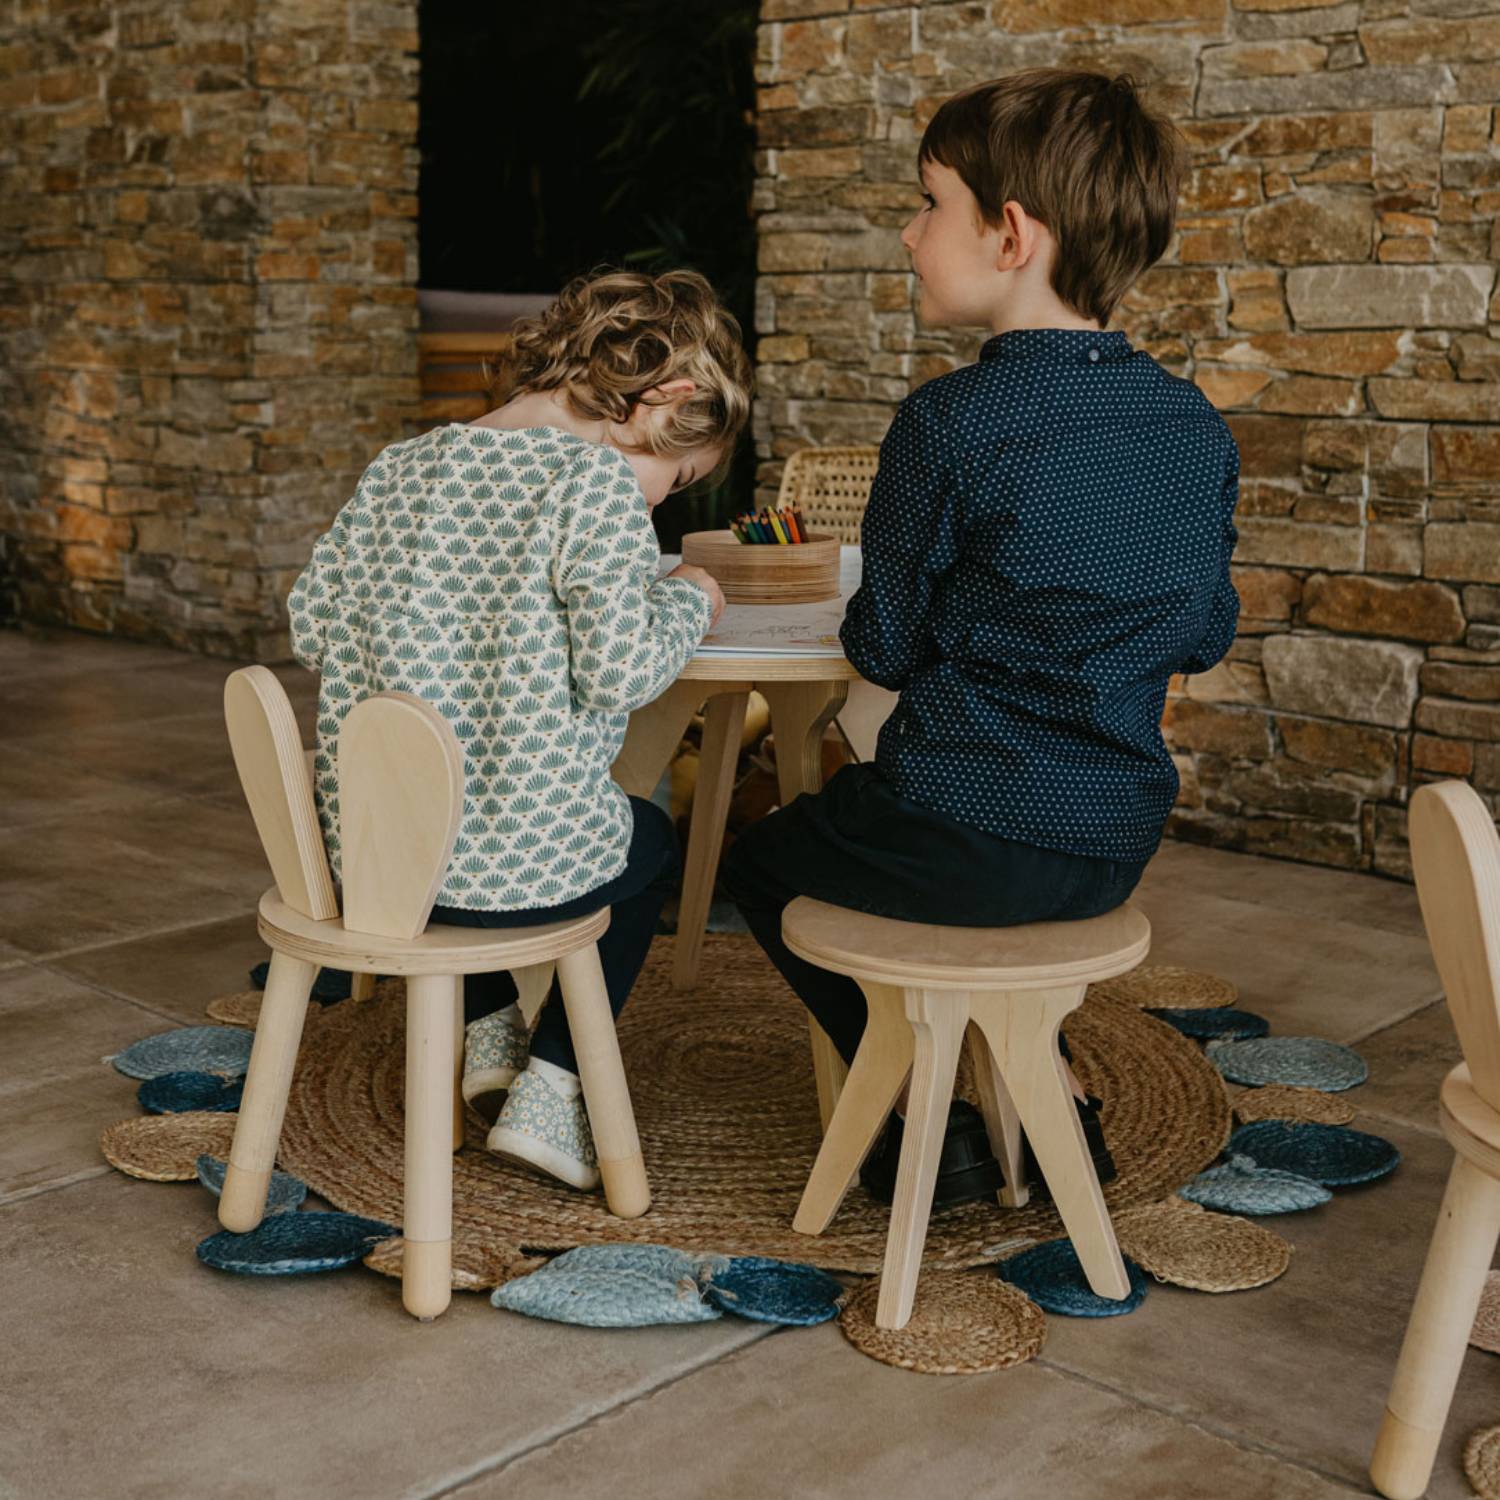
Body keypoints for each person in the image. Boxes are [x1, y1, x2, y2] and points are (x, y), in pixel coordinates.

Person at [721, 68, 1242, 1208]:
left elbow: (887, 650)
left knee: (760, 864)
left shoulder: (951, 423)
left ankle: (932, 1117)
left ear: (1011, 234)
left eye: (927, 206)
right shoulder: (1193, 426)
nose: (910, 235)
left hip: (965, 820)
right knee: (926, 875)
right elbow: (1202, 630)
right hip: (1115, 832)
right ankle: (1048, 1102)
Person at [288, 267, 751, 1191]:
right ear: (669, 397)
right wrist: (690, 599)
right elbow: (621, 670)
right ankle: (553, 1088)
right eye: (677, 477)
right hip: (513, 878)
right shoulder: (595, 485)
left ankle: (489, 1033)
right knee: (643, 841)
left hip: (383, 866)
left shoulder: (401, 465)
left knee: (481, 819)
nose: (660, 499)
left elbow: (312, 623)